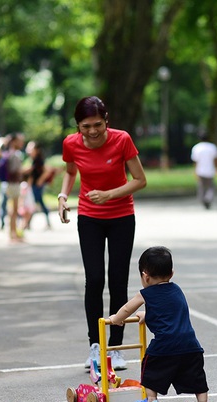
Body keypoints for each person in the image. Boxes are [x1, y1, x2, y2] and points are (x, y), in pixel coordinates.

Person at [58, 96, 147, 371]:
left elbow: (140, 180)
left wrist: (109, 195)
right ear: (78, 126)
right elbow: (70, 172)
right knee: (94, 280)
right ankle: (96, 347)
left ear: (106, 120)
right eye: (86, 126)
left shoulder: (122, 140)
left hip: (121, 216)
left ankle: (117, 348)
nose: (93, 131)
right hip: (89, 217)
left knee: (117, 281)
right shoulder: (71, 143)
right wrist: (63, 195)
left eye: (97, 124)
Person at [109, 246, 211, 402]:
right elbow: (169, 313)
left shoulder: (145, 294)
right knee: (196, 375)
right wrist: (147, 314)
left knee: (150, 368)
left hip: (165, 344)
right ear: (171, 273)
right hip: (190, 344)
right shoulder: (177, 290)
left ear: (145, 276)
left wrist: (115, 319)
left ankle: (151, 401)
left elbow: (127, 309)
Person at [0, 133, 25, 241]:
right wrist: (1, 141)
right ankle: (12, 234)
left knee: (14, 210)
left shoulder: (15, 153)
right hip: (11, 184)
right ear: (14, 141)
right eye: (19, 140)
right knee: (12, 210)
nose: (21, 143)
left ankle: (14, 232)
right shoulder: (10, 154)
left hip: (15, 184)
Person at [24, 140, 53, 230]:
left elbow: (47, 171)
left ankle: (28, 223)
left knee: (35, 203)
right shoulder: (32, 160)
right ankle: (28, 223)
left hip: (37, 186)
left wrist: (40, 180)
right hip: (33, 185)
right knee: (37, 203)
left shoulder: (38, 160)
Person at [190, 133, 217, 209]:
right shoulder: (212, 147)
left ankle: (203, 199)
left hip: (200, 170)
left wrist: (195, 170)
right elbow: (215, 159)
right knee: (210, 186)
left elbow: (195, 161)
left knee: (201, 186)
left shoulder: (196, 148)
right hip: (210, 169)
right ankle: (208, 198)